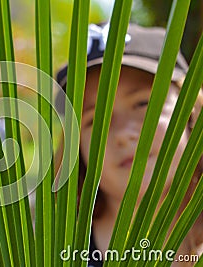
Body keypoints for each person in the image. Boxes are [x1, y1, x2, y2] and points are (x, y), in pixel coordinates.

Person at [55, 23, 203, 266]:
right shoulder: (62, 253)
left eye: (144, 104)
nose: (123, 134)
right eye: (94, 120)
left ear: (190, 113)